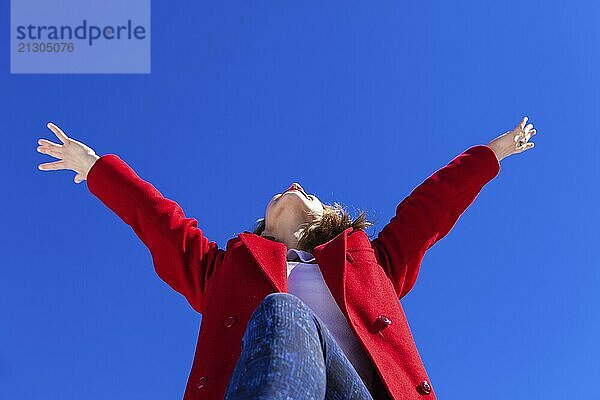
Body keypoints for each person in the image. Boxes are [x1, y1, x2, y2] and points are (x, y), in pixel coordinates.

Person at [36, 117, 537, 399]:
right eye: (279, 192)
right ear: (263, 223)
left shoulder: (370, 261)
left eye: (308, 191)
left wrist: (489, 155)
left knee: (284, 311)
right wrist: (98, 168)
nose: (294, 187)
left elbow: (429, 211)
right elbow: (160, 222)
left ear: (330, 216)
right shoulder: (224, 272)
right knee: (281, 313)